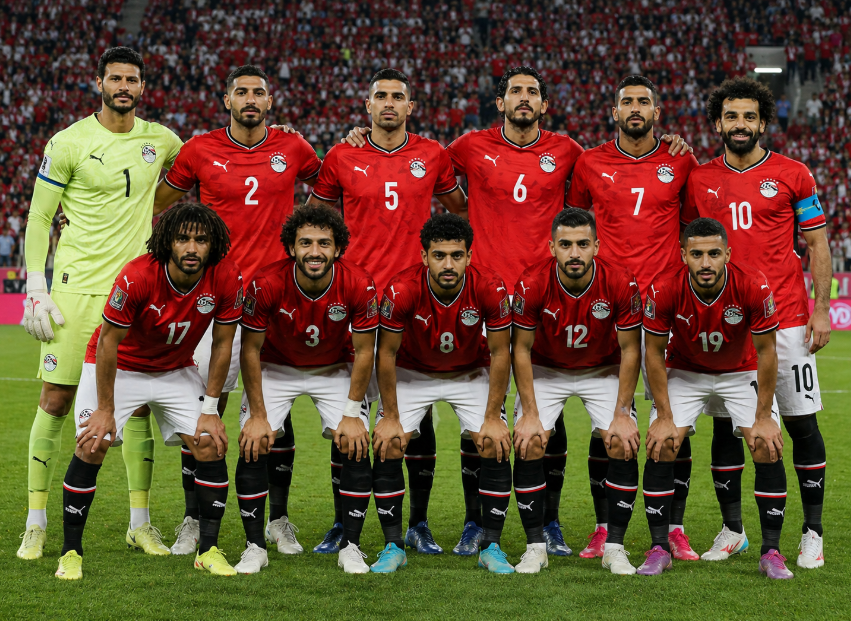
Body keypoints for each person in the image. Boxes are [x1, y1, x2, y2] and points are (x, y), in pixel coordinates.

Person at [343, 67, 692, 557]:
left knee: (543, 415)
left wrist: (669, 143)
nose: (523, 98)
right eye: (514, 91)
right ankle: (471, 523)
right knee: (480, 419)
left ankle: (550, 522)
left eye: (532, 92)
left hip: (546, 299)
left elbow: (585, 206)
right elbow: (418, 166)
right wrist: (361, 137)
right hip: (482, 298)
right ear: (500, 102)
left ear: (544, 105)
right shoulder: (467, 147)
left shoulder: (568, 152)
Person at [18, 47, 183, 561]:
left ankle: (140, 523)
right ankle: (35, 524)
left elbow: (200, 169)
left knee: (138, 409)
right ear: (100, 83)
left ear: (142, 87)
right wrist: (36, 286)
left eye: (132, 80)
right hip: (75, 292)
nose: (124, 87)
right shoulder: (68, 142)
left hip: (135, 295)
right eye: (115, 79)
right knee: (55, 401)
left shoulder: (162, 140)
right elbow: (39, 218)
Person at [154, 64, 322, 556]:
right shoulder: (199, 150)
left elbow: (336, 185)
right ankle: (193, 518)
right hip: (214, 301)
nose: (251, 98)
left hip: (275, 301)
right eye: (242, 92)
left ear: (270, 102)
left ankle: (279, 520)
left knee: (273, 414)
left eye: (259, 92)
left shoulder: (293, 148)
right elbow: (157, 201)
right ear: (226, 100)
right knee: (205, 410)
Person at [308, 69, 467, 554]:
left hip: (414, 303)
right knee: (350, 416)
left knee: (417, 419)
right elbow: (314, 218)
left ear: (410, 106)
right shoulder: (342, 155)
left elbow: (459, 209)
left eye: (399, 96)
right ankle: (343, 522)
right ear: (368, 105)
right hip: (355, 300)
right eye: (381, 96)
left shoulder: (432, 155)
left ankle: (417, 524)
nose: (390, 103)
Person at [683, 77, 831, 569]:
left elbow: (817, 244)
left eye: (749, 116)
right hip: (726, 324)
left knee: (801, 425)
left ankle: (812, 533)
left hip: (786, 319)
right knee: (726, 429)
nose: (741, 124)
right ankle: (733, 530)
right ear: (718, 123)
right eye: (732, 116)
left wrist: (822, 307)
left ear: (763, 122)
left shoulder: (794, 174)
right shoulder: (699, 179)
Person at [54, 203, 242, 579]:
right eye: (183, 238)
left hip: (174, 369)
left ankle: (208, 550)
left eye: (201, 240)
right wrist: (105, 409)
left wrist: (210, 409)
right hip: (120, 368)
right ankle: (70, 552)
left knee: (210, 442)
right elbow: (108, 343)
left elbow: (223, 344)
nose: (192, 248)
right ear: (167, 241)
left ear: (214, 244)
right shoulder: (138, 275)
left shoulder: (225, 276)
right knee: (92, 443)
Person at [566, 75, 700, 561]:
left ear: (657, 113)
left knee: (674, 423)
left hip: (667, 309)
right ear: (615, 112)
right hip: (609, 307)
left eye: (644, 101)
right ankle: (604, 527)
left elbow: (693, 229)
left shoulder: (681, 160)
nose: (636, 108)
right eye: (628, 102)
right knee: (607, 424)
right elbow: (575, 228)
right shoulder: (589, 162)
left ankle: (675, 528)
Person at [643, 217, 792, 579]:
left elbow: (768, 352)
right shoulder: (664, 288)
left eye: (713, 253)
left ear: (728, 253)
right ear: (684, 255)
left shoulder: (752, 284)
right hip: (687, 371)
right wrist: (663, 416)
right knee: (662, 444)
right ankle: (659, 548)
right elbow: (653, 353)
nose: (705, 262)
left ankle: (771, 552)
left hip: (741, 370)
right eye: (697, 254)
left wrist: (764, 417)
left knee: (766, 445)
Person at [234, 204, 379, 575]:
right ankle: (255, 546)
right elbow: (249, 349)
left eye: (324, 243)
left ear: (338, 248)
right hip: (276, 368)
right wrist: (258, 415)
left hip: (333, 368)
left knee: (356, 442)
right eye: (306, 243)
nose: (315, 251)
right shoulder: (266, 282)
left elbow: (365, 351)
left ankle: (351, 547)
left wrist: (352, 414)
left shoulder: (359, 282)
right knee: (254, 440)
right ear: (291, 248)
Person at [373, 213, 513, 573]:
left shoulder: (490, 287)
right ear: (424, 257)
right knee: (389, 442)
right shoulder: (401, 289)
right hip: (413, 372)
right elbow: (385, 354)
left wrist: (493, 417)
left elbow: (501, 353)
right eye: (439, 255)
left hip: (469, 372)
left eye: (456, 255)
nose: (448, 264)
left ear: (469, 256)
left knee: (493, 441)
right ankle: (394, 545)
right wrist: (390, 417)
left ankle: (491, 546)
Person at [512, 209, 643, 575]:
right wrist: (529, 413)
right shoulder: (531, 282)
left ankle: (615, 548)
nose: (574, 253)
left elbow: (631, 349)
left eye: (583, 244)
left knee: (622, 441)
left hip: (602, 369)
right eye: (566, 245)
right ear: (551, 246)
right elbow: (520, 348)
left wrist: (623, 413)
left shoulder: (620, 280)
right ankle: (535, 549)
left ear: (596, 246)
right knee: (528, 440)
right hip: (547, 369)